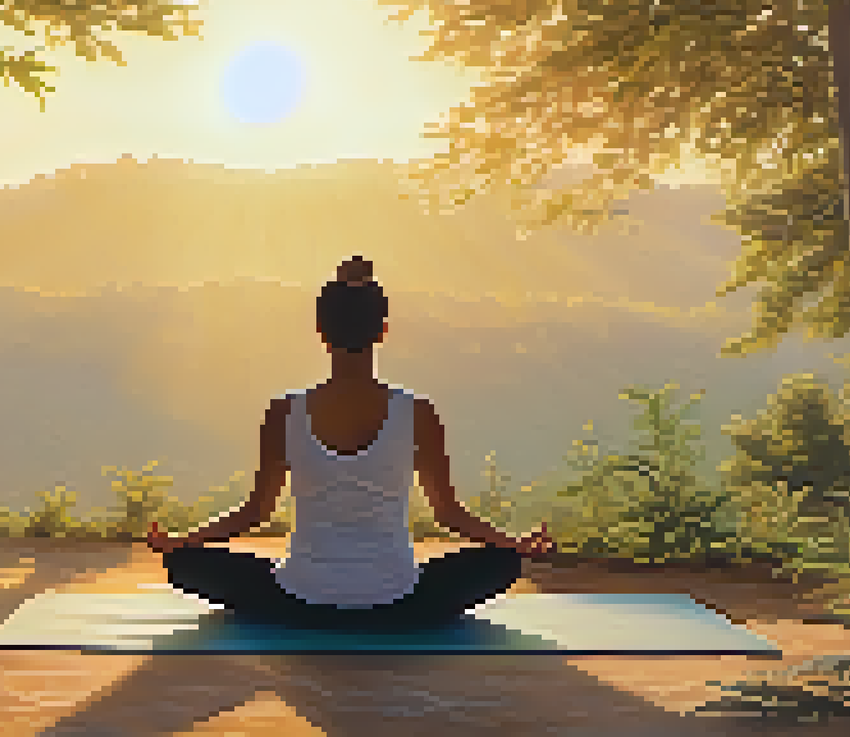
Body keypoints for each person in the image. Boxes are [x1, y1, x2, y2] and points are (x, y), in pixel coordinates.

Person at [145, 255, 555, 630]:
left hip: (299, 599)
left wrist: (181, 542)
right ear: (383, 330)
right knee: (500, 563)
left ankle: (293, 597)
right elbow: (449, 514)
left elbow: (255, 512)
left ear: (320, 331)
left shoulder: (284, 412)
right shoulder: (418, 412)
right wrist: (514, 544)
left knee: (186, 565)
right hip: (398, 600)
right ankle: (401, 604)